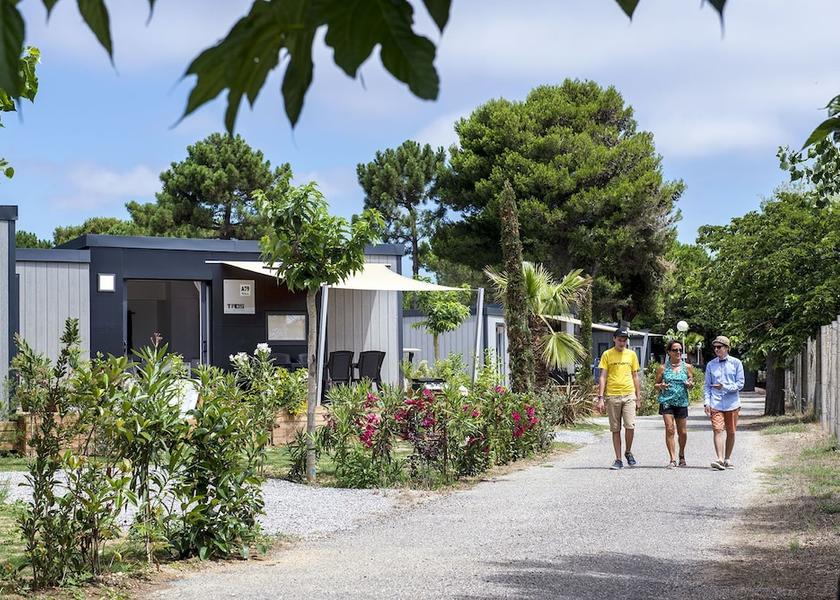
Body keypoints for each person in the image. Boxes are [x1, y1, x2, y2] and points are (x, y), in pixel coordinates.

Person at [596, 327, 641, 470]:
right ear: (614, 339)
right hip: (612, 395)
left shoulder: (631, 354)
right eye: (620, 340)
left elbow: (635, 376)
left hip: (628, 394)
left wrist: (638, 397)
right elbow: (602, 376)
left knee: (630, 426)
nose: (622, 343)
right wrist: (601, 397)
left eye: (624, 340)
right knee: (615, 429)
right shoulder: (607, 354)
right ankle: (618, 459)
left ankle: (628, 451)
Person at [704, 335, 745, 470]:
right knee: (717, 430)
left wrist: (725, 386)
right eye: (715, 347)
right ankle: (720, 459)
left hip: (732, 403)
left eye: (719, 347)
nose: (716, 349)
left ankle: (727, 458)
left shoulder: (736, 363)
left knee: (731, 432)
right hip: (715, 403)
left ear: (727, 348)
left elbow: (740, 384)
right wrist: (707, 403)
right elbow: (707, 386)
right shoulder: (711, 365)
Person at [655, 340, 694, 468]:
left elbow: (691, 381)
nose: (678, 352)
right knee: (670, 429)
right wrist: (661, 386)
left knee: (682, 432)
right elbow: (656, 384)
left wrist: (690, 384)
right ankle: (672, 459)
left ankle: (681, 454)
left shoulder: (687, 367)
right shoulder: (663, 368)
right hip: (667, 401)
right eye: (675, 350)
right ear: (669, 352)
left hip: (681, 402)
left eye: (680, 350)